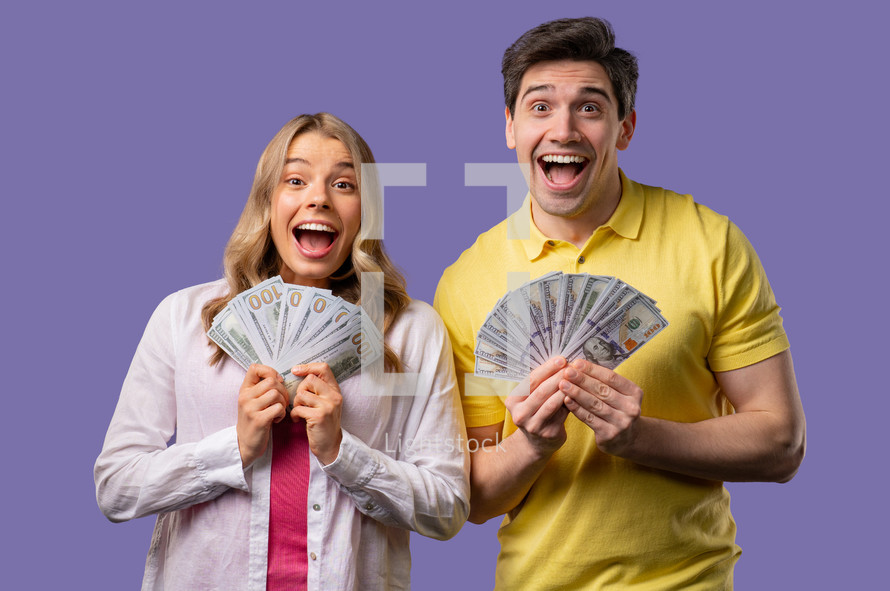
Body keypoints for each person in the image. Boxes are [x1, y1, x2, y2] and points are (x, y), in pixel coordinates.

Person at [434, 17, 805, 589]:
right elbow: (475, 498)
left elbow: (781, 443)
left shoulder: (710, 243)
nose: (563, 129)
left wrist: (640, 437)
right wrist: (531, 444)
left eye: (589, 107)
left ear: (624, 128)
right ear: (509, 127)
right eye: (539, 107)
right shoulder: (465, 283)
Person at [95, 113, 470, 591]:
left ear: (366, 209)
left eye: (344, 184)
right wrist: (235, 448)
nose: (319, 197)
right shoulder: (182, 317)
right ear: (267, 202)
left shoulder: (412, 332)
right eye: (296, 180)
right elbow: (116, 487)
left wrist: (342, 451)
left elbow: (448, 507)